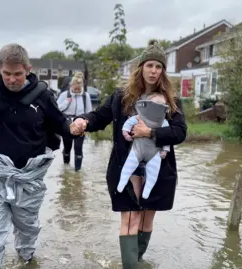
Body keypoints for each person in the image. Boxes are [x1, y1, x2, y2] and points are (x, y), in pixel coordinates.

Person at [0, 43, 83, 269]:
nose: (12, 79)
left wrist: (73, 127)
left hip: (30, 177)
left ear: (28, 69)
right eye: (7, 74)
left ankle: (27, 260)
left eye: (18, 74)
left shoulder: (43, 95)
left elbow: (59, 123)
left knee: (27, 229)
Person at [72, 39, 187, 268]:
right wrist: (83, 121)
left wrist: (151, 132)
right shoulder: (121, 97)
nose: (153, 71)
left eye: (158, 67)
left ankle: (137, 259)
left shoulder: (171, 101)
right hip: (126, 164)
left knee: (147, 216)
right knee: (130, 216)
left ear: (163, 71)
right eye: (149, 65)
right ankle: (129, 265)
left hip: (157, 167)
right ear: (141, 68)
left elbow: (180, 133)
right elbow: (99, 116)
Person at [118, 92, 171, 199]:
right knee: (128, 166)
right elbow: (128, 123)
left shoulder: (164, 122)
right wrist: (125, 132)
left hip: (155, 152)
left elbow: (167, 137)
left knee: (153, 172)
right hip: (138, 148)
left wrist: (165, 150)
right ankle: (122, 182)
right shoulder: (139, 117)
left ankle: (147, 190)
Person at [56, 71, 92, 171]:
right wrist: (67, 101)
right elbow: (57, 109)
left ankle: (77, 172)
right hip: (67, 123)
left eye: (78, 88)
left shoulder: (86, 96)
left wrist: (88, 127)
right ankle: (66, 170)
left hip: (81, 124)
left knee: (78, 148)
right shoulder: (64, 95)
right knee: (67, 148)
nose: (76, 90)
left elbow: (89, 112)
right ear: (71, 85)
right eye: (75, 88)